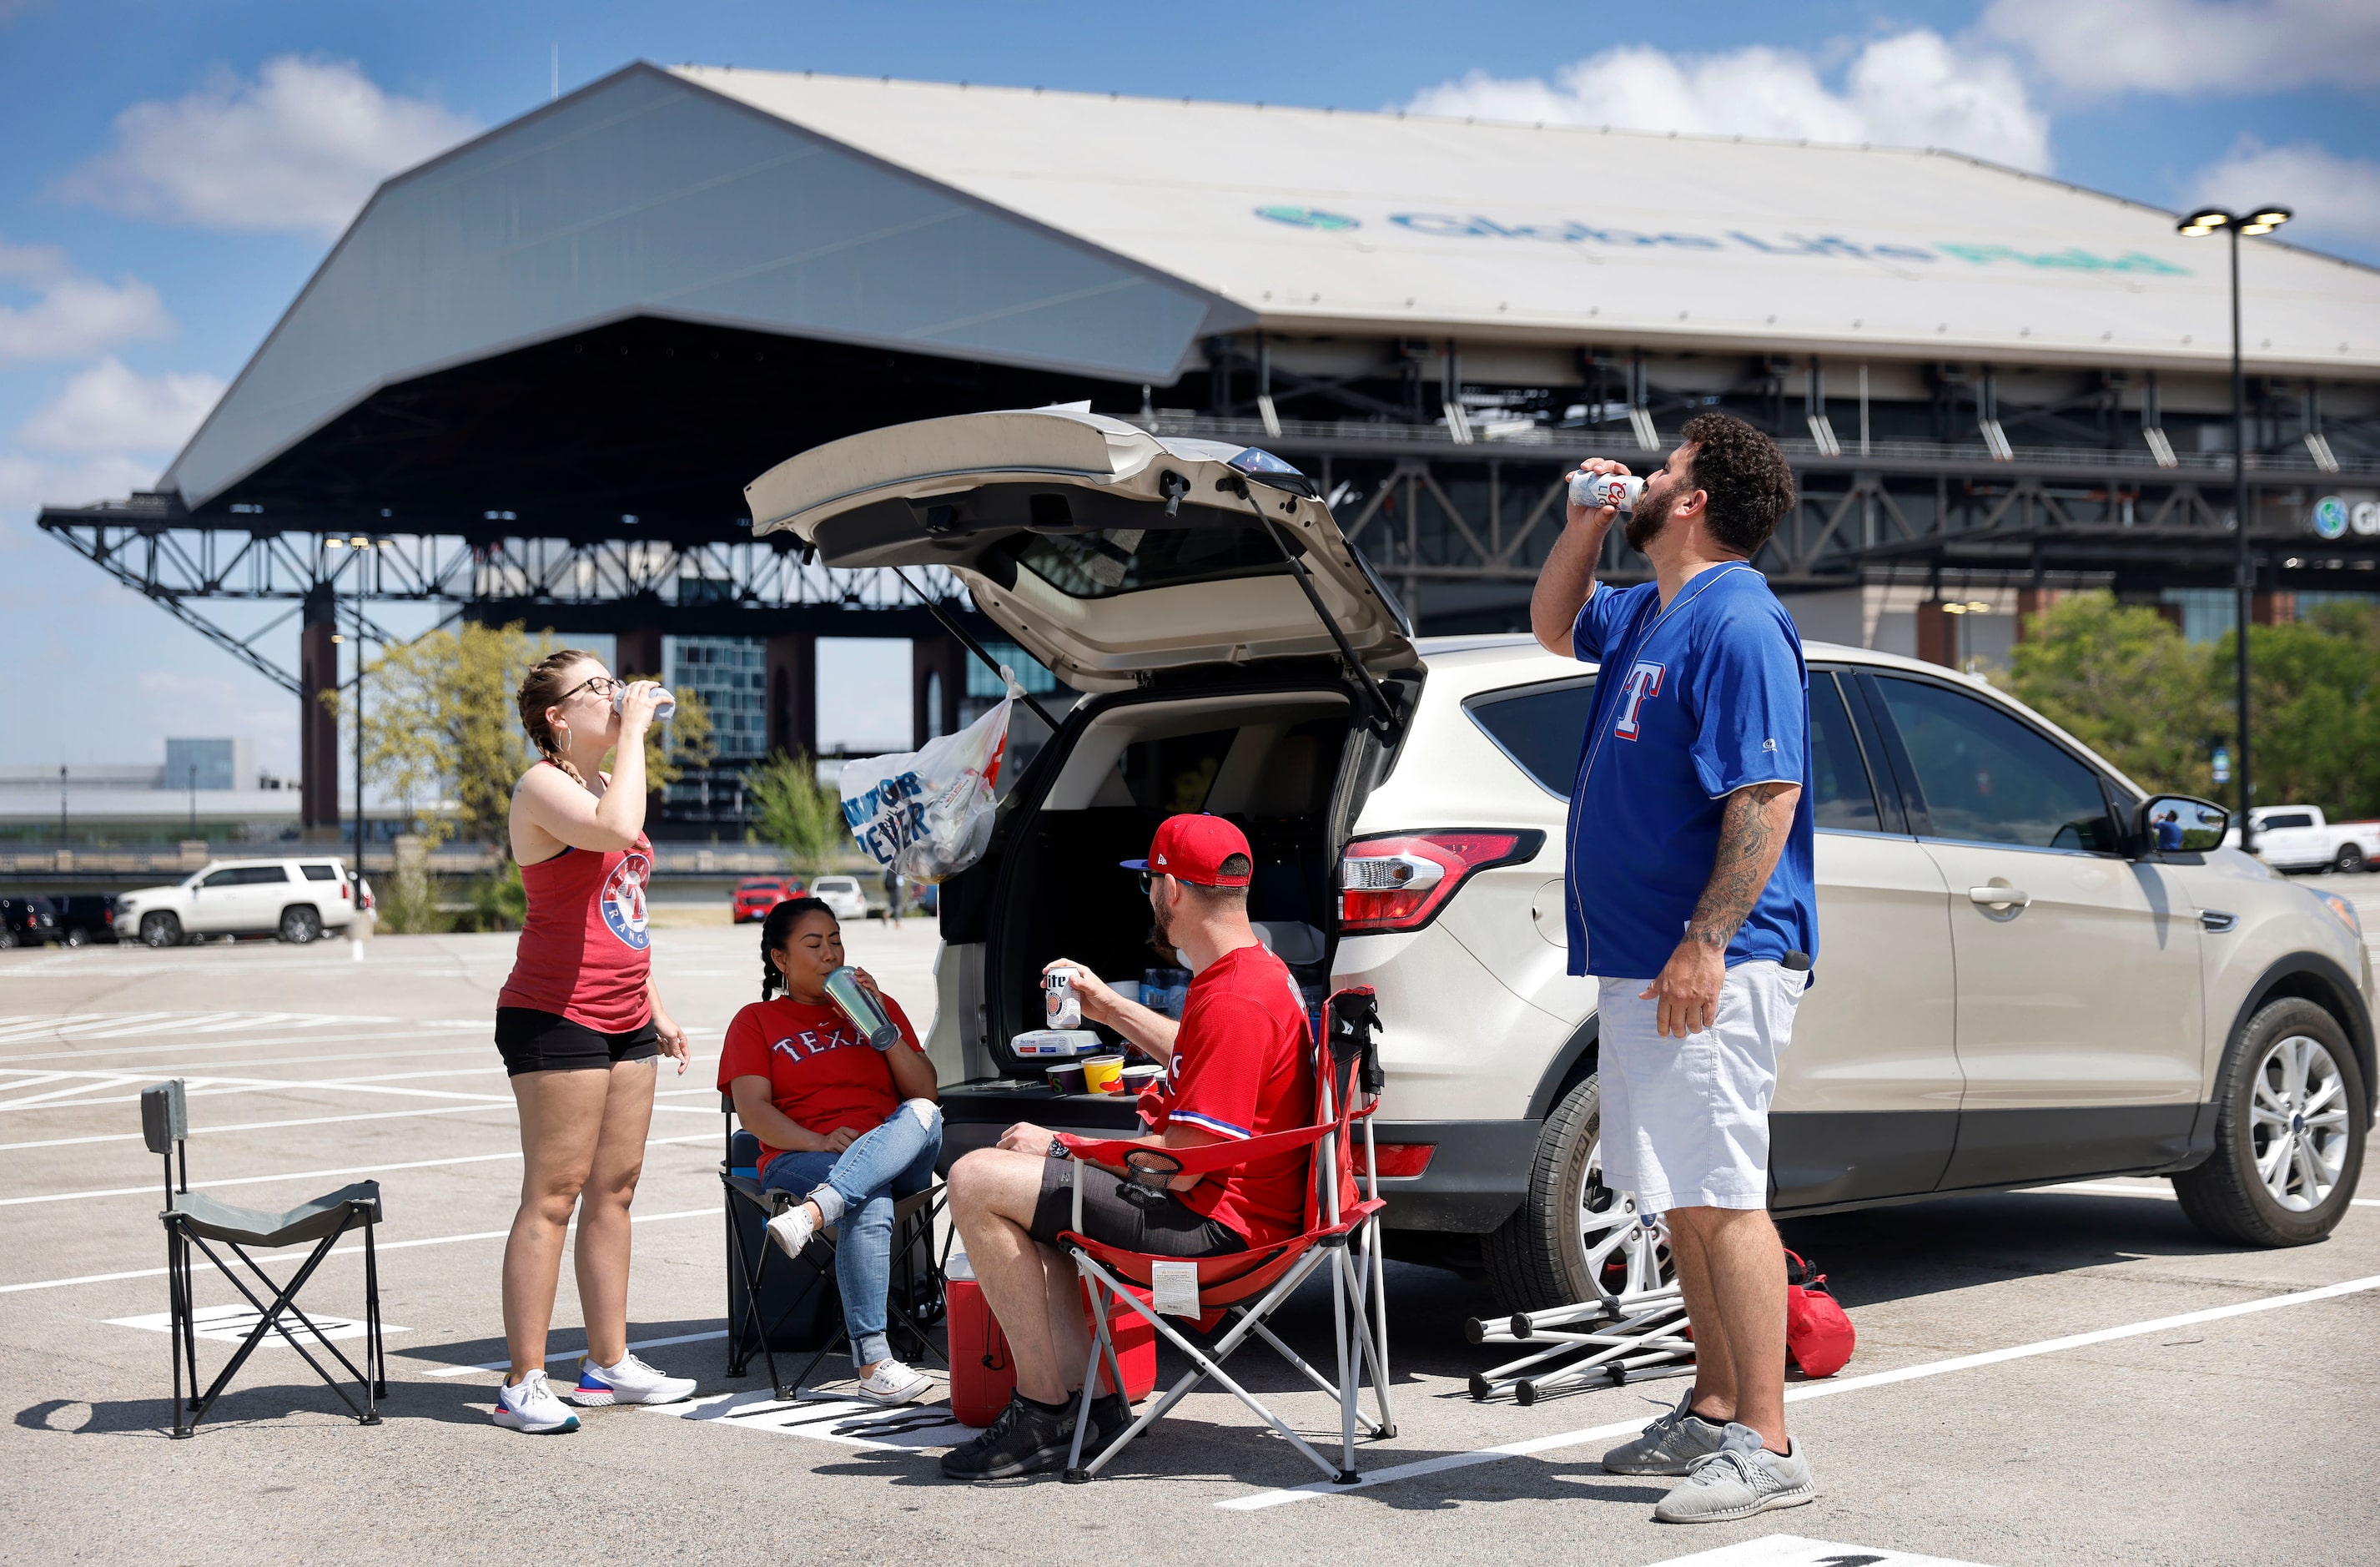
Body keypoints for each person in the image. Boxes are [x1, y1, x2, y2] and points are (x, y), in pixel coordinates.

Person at [1528, 412, 1820, 1524]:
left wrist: (1706, 940)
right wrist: (1582, 524)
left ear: (1693, 500)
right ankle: (1710, 1409)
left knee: (1724, 1194)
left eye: (1664, 470)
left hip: (1715, 960)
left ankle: (1767, 1438)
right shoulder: (1656, 608)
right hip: (1652, 961)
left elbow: (1766, 793)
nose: (1643, 478)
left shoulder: (1738, 620)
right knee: (1682, 1199)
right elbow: (1556, 625)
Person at [938, 814, 1313, 1481]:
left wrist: (1063, 1146)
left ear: (1169, 890)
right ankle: (1089, 1402)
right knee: (1025, 1191)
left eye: (1150, 885)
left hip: (1216, 1231)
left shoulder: (1232, 999)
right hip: (1236, 1208)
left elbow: (1184, 1159)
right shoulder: (1258, 973)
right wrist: (1107, 1007)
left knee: (975, 1178)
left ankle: (1044, 1410)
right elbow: (1208, 1060)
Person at [492, 650, 697, 1434]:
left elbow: (618, 906)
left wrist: (655, 1004)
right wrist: (639, 727)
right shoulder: (543, 786)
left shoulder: (608, 783)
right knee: (554, 1195)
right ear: (557, 717)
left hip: (623, 1013)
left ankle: (607, 1365)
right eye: (599, 688)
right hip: (555, 1014)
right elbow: (620, 833)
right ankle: (523, 1380)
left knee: (616, 1190)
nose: (616, 694)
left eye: (618, 683)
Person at [719, 896, 943, 1404]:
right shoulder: (755, 1021)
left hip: (897, 1148)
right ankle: (874, 1363)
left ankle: (818, 1211)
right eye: (814, 944)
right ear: (781, 960)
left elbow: (924, 1092)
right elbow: (753, 1114)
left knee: (926, 1116)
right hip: (803, 1156)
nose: (830, 953)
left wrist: (879, 1023)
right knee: (871, 1194)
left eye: (837, 940)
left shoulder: (876, 1011)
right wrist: (819, 1141)